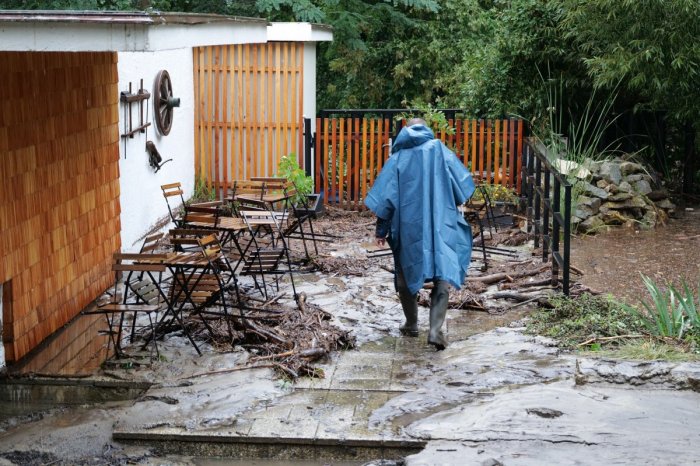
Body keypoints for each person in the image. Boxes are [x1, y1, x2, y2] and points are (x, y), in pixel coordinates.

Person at [365, 118, 475, 350]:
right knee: (442, 274)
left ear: (406, 132)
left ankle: (412, 324)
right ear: (426, 129)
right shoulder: (441, 151)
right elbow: (462, 190)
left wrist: (381, 231)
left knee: (406, 276)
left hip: (408, 226)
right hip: (441, 224)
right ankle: (435, 331)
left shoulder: (397, 159)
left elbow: (386, 199)